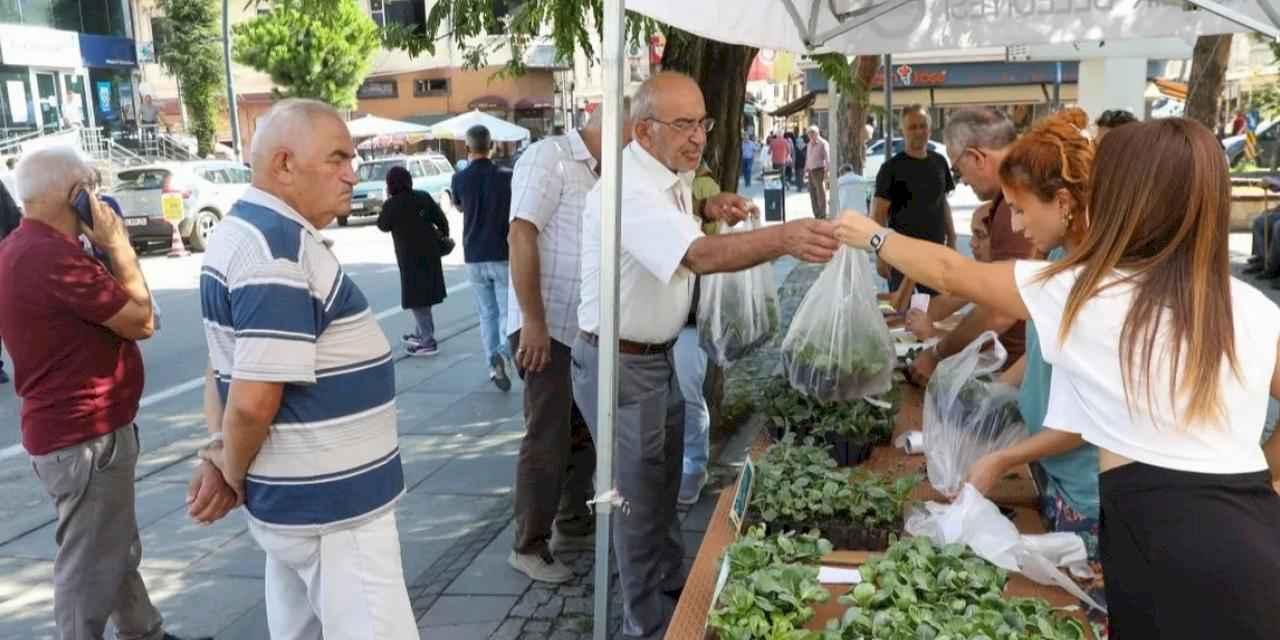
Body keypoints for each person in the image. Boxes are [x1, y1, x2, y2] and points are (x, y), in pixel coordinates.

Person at [837, 116, 1280, 639]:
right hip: (1256, 547)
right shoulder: (1251, 305)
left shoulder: (1091, 295)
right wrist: (1266, 483)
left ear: (1127, 198)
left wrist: (872, 235)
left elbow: (955, 275)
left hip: (1165, 559)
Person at [572, 71, 841, 640]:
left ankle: (673, 605)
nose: (698, 137)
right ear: (643, 131)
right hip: (620, 366)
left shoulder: (666, 176)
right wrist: (785, 239)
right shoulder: (627, 190)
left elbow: (678, 231)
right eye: (683, 125)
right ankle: (647, 625)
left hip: (653, 357)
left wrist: (706, 203)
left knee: (663, 491)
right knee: (638, 506)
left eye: (703, 122)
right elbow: (695, 256)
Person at [197, 99, 417, 639]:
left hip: (306, 505)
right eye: (337, 158)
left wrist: (221, 454)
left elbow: (220, 364)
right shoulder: (277, 251)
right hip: (335, 517)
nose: (352, 173)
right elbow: (250, 400)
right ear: (284, 165)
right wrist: (228, 469)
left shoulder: (247, 233)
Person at [0, 148, 210, 640]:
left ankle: (145, 633)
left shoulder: (19, 248)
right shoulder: (52, 257)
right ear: (73, 195)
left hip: (69, 432)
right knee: (89, 565)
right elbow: (143, 320)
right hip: (85, 435)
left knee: (109, 547)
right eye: (90, 186)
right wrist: (118, 247)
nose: (97, 196)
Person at [959, 108, 1107, 618]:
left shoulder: (1091, 283)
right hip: (1057, 475)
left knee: (1075, 615)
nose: (1017, 223)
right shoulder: (1062, 264)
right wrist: (998, 391)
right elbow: (1044, 353)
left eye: (1022, 209)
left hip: (1090, 495)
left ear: (1064, 203)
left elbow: (1087, 424)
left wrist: (1003, 458)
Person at [506, 101, 634, 583]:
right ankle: (529, 545)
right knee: (548, 435)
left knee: (582, 430)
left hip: (585, 327)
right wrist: (533, 322)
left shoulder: (608, 172)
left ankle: (574, 522)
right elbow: (520, 235)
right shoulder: (551, 158)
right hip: (549, 325)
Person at [907, 107, 1036, 386]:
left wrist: (938, 353)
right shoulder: (1013, 195)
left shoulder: (1017, 200)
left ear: (976, 157)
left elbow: (1000, 309)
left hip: (1019, 372)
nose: (962, 181)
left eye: (958, 169)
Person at [451, 124, 515, 391]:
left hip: (474, 254)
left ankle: (492, 365)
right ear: (491, 147)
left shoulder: (459, 178)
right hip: (501, 251)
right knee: (507, 313)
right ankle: (503, 353)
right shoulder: (507, 176)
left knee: (486, 314)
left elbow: (459, 206)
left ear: (467, 149)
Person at [871, 105, 956, 295]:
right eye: (912, 127)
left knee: (935, 312)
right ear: (903, 131)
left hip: (935, 253)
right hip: (901, 256)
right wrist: (880, 254)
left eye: (922, 126)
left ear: (930, 129)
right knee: (902, 315)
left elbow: (943, 202)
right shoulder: (890, 169)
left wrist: (952, 238)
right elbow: (877, 215)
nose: (918, 131)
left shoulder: (940, 162)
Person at [377, 165, 451, 356]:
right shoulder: (423, 197)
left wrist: (388, 202)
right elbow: (442, 220)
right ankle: (421, 333)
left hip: (409, 258)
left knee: (417, 299)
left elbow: (382, 225)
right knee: (424, 297)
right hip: (430, 254)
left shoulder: (392, 205)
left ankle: (427, 341)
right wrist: (442, 237)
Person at [806, 125, 830, 219]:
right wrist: (806, 169)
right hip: (810, 170)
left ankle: (822, 214)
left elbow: (827, 159)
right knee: (812, 193)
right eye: (809, 134)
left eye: (812, 134)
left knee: (820, 193)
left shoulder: (823, 143)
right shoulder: (809, 144)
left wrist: (827, 172)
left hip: (819, 170)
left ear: (817, 133)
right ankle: (816, 214)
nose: (810, 136)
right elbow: (808, 158)